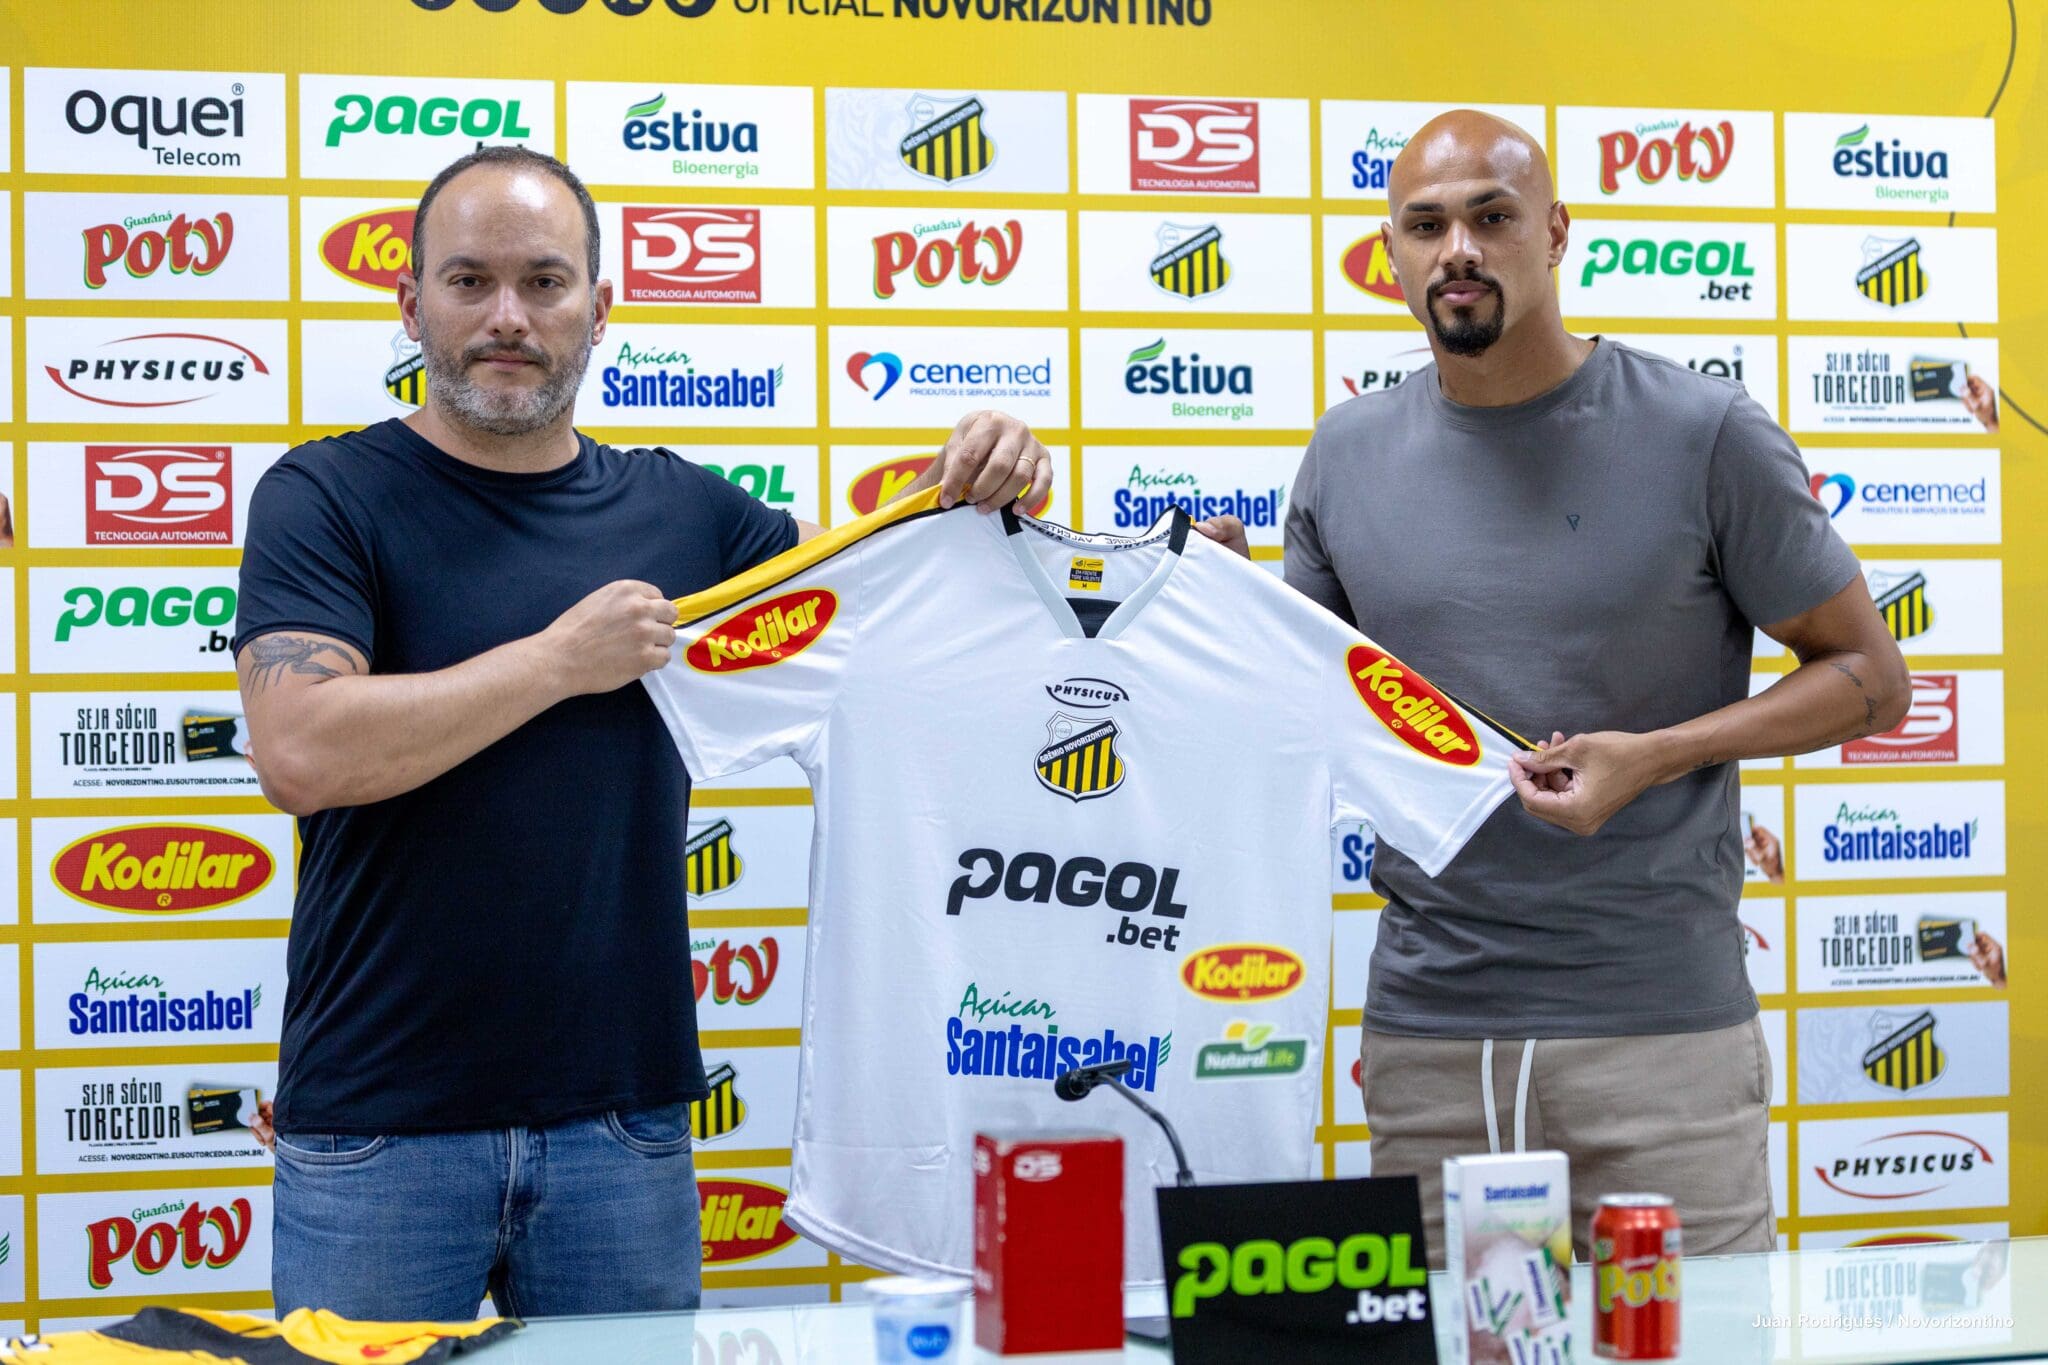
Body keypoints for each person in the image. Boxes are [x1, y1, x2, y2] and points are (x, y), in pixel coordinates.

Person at [233, 146, 1053, 1320]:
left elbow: (915, 609)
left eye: (544, 282)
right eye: (468, 282)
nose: (507, 317)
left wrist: (1003, 491)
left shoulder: (686, 512)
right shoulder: (325, 496)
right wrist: (557, 664)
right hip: (377, 1126)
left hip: (621, 1126)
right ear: (410, 304)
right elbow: (302, 751)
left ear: (600, 308)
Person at [1266, 111, 1909, 1261]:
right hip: (1429, 1039)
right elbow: (1294, 706)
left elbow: (1870, 680)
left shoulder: (1703, 432)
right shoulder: (1342, 455)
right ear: (1391, 250)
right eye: (1425, 225)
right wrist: (1208, 585)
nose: (1457, 250)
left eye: (1490, 216)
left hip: (1659, 1037)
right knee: (1442, 1343)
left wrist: (1658, 755)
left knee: (1694, 1341)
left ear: (1555, 232)